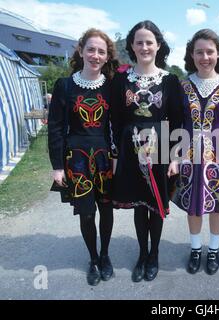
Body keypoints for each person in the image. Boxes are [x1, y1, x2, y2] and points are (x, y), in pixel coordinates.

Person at [111, 20, 183, 282]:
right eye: (139, 42)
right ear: (132, 45)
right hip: (131, 151)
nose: (144, 47)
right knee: (139, 206)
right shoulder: (121, 80)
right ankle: (142, 254)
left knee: (155, 205)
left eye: (149, 42)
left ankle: (154, 255)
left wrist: (176, 156)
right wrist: (117, 154)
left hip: (160, 150)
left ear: (158, 45)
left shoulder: (170, 81)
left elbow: (180, 121)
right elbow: (115, 120)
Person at [48, 28, 120, 286]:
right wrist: (57, 166)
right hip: (76, 159)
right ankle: (92, 258)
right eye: (91, 49)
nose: (95, 55)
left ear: (107, 56)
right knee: (87, 214)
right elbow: (55, 127)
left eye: (101, 51)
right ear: (81, 50)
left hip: (104, 159)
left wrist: (117, 155)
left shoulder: (112, 87)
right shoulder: (64, 85)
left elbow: (118, 125)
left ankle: (105, 255)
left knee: (107, 210)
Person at [172, 29, 219, 275]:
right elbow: (177, 124)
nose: (204, 57)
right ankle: (195, 249)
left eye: (209, 51)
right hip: (190, 156)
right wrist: (174, 157)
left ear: (218, 53)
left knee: (218, 205)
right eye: (199, 51)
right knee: (193, 205)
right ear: (192, 54)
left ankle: (213, 249)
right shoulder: (182, 86)